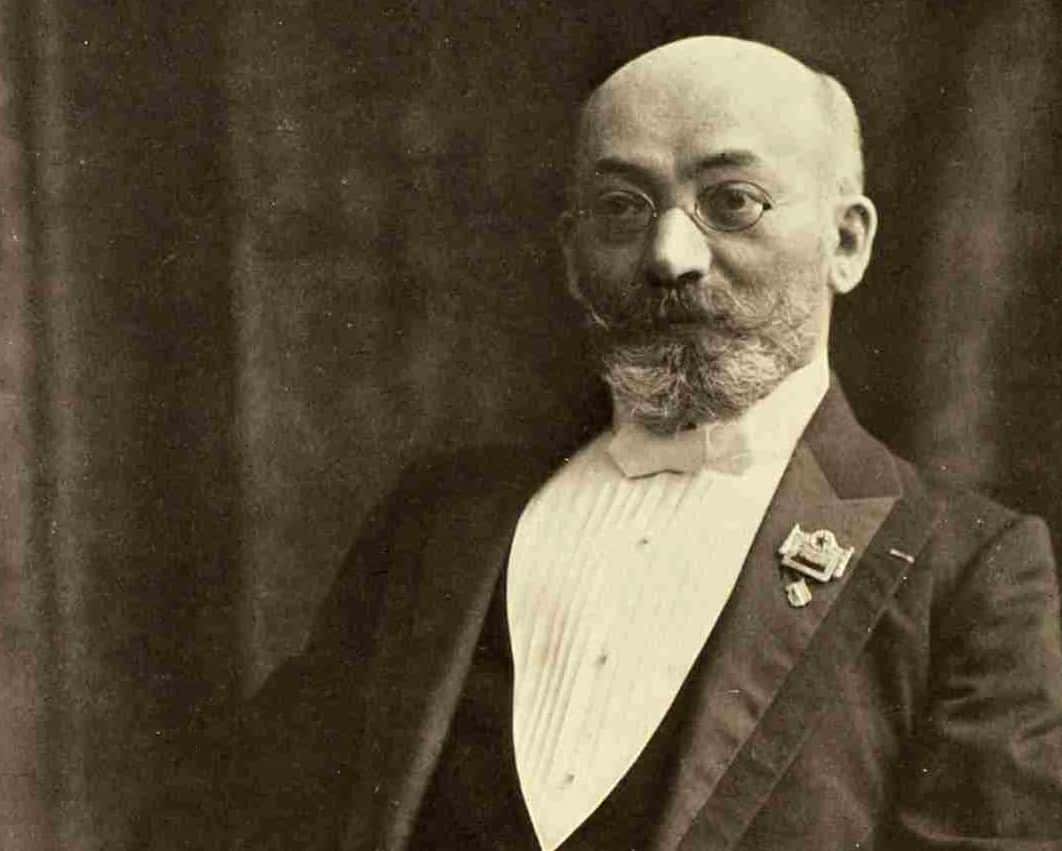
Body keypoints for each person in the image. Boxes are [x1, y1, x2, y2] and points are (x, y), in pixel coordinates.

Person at [146, 35, 1062, 851]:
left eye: (732, 202)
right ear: (571, 252)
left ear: (846, 242)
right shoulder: (439, 525)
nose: (670, 255)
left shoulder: (968, 574)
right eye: (622, 207)